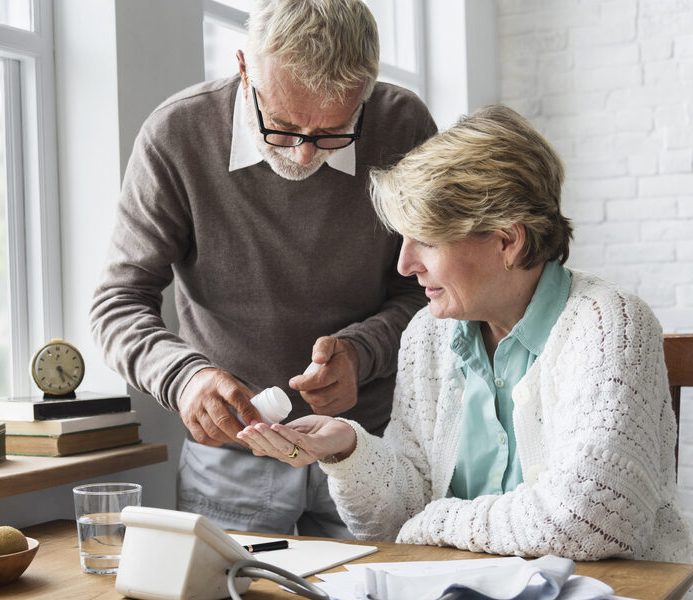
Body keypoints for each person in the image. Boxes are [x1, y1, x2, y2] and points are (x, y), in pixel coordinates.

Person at [237, 104, 693, 562]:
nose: (404, 264)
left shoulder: (608, 323)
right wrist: (349, 451)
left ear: (506, 241)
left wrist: (437, 521)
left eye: (427, 240)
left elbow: (595, 519)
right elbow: (398, 518)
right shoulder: (426, 334)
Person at [90, 0, 436, 537]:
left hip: (369, 444)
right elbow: (117, 303)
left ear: (368, 88)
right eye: (282, 126)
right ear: (244, 67)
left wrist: (362, 353)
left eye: (332, 132)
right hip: (231, 457)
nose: (302, 157)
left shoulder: (403, 126)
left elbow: (429, 290)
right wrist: (186, 378)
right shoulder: (177, 134)